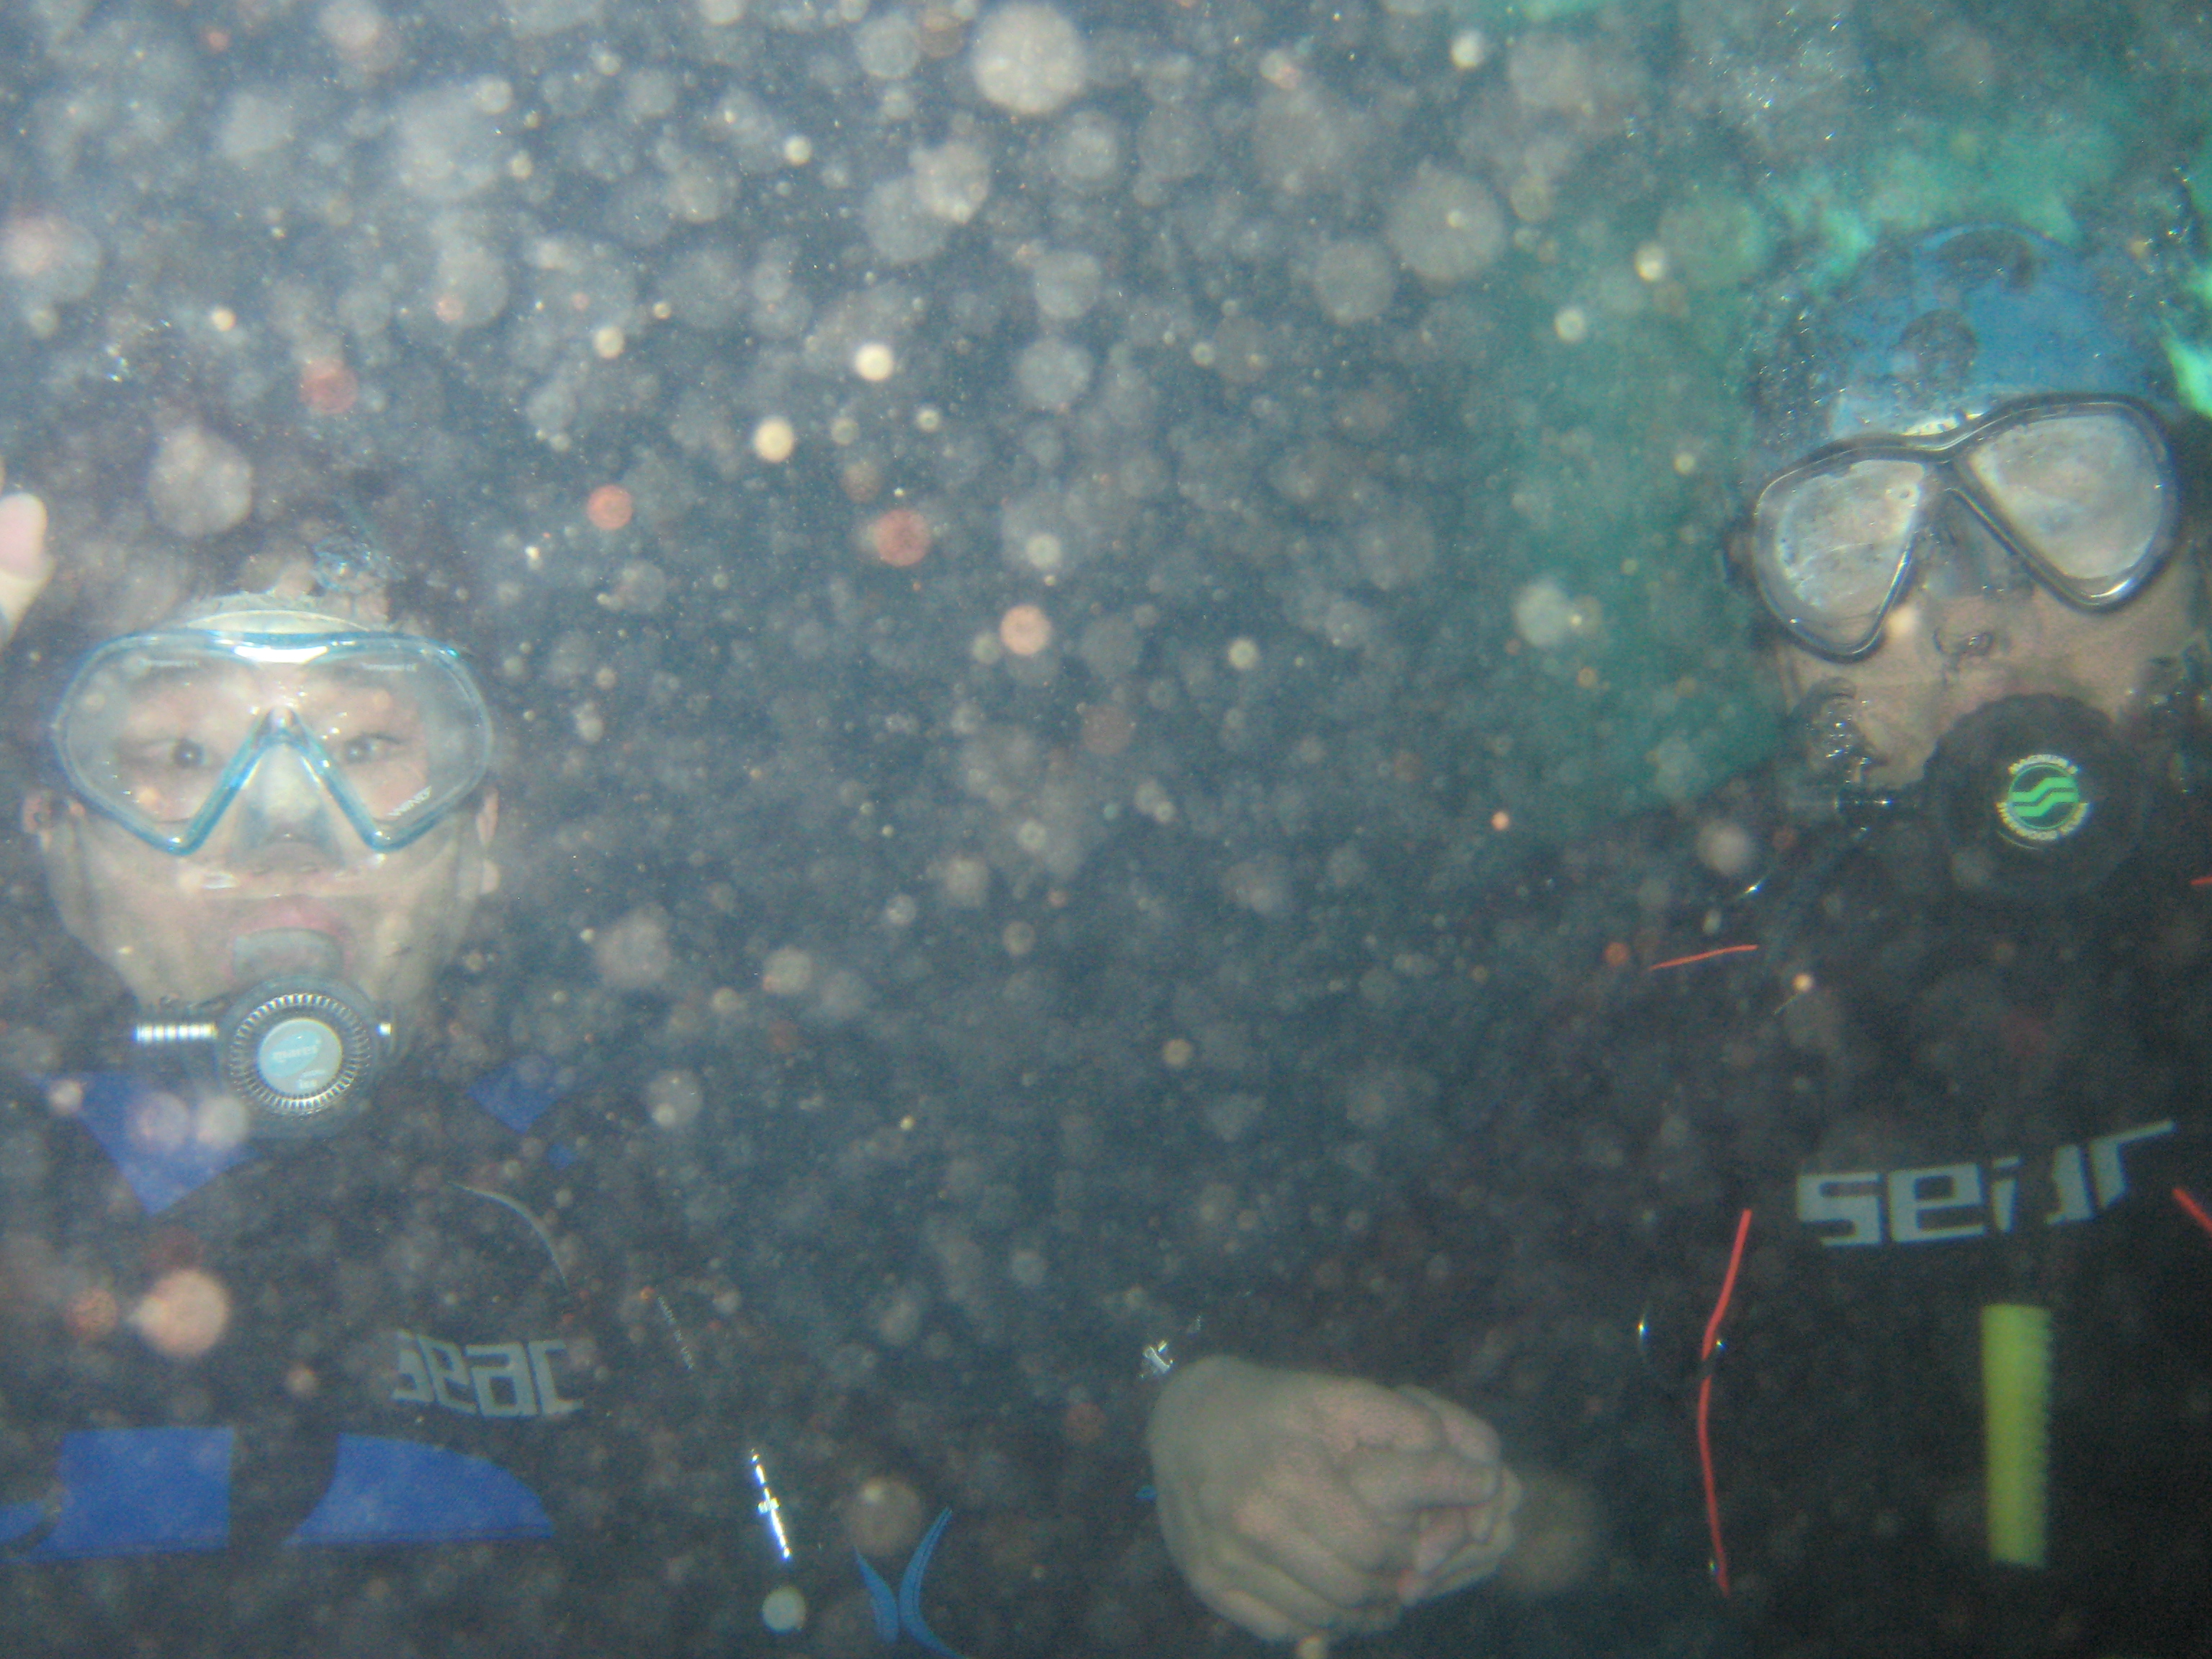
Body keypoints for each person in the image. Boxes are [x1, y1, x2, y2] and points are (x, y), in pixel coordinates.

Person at [1142, 224, 2212, 1655]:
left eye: (2070, 502)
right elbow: (1365, 1290)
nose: (1973, 609)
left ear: (2198, 548)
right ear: (1775, 638)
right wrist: (1201, 1407)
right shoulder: (1662, 967)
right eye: (1858, 546)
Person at [0, 511, 791, 1657]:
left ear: (480, 836)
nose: (283, 834)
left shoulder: (585, 1191)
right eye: (183, 757)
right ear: (54, 834)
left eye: (364, 747)